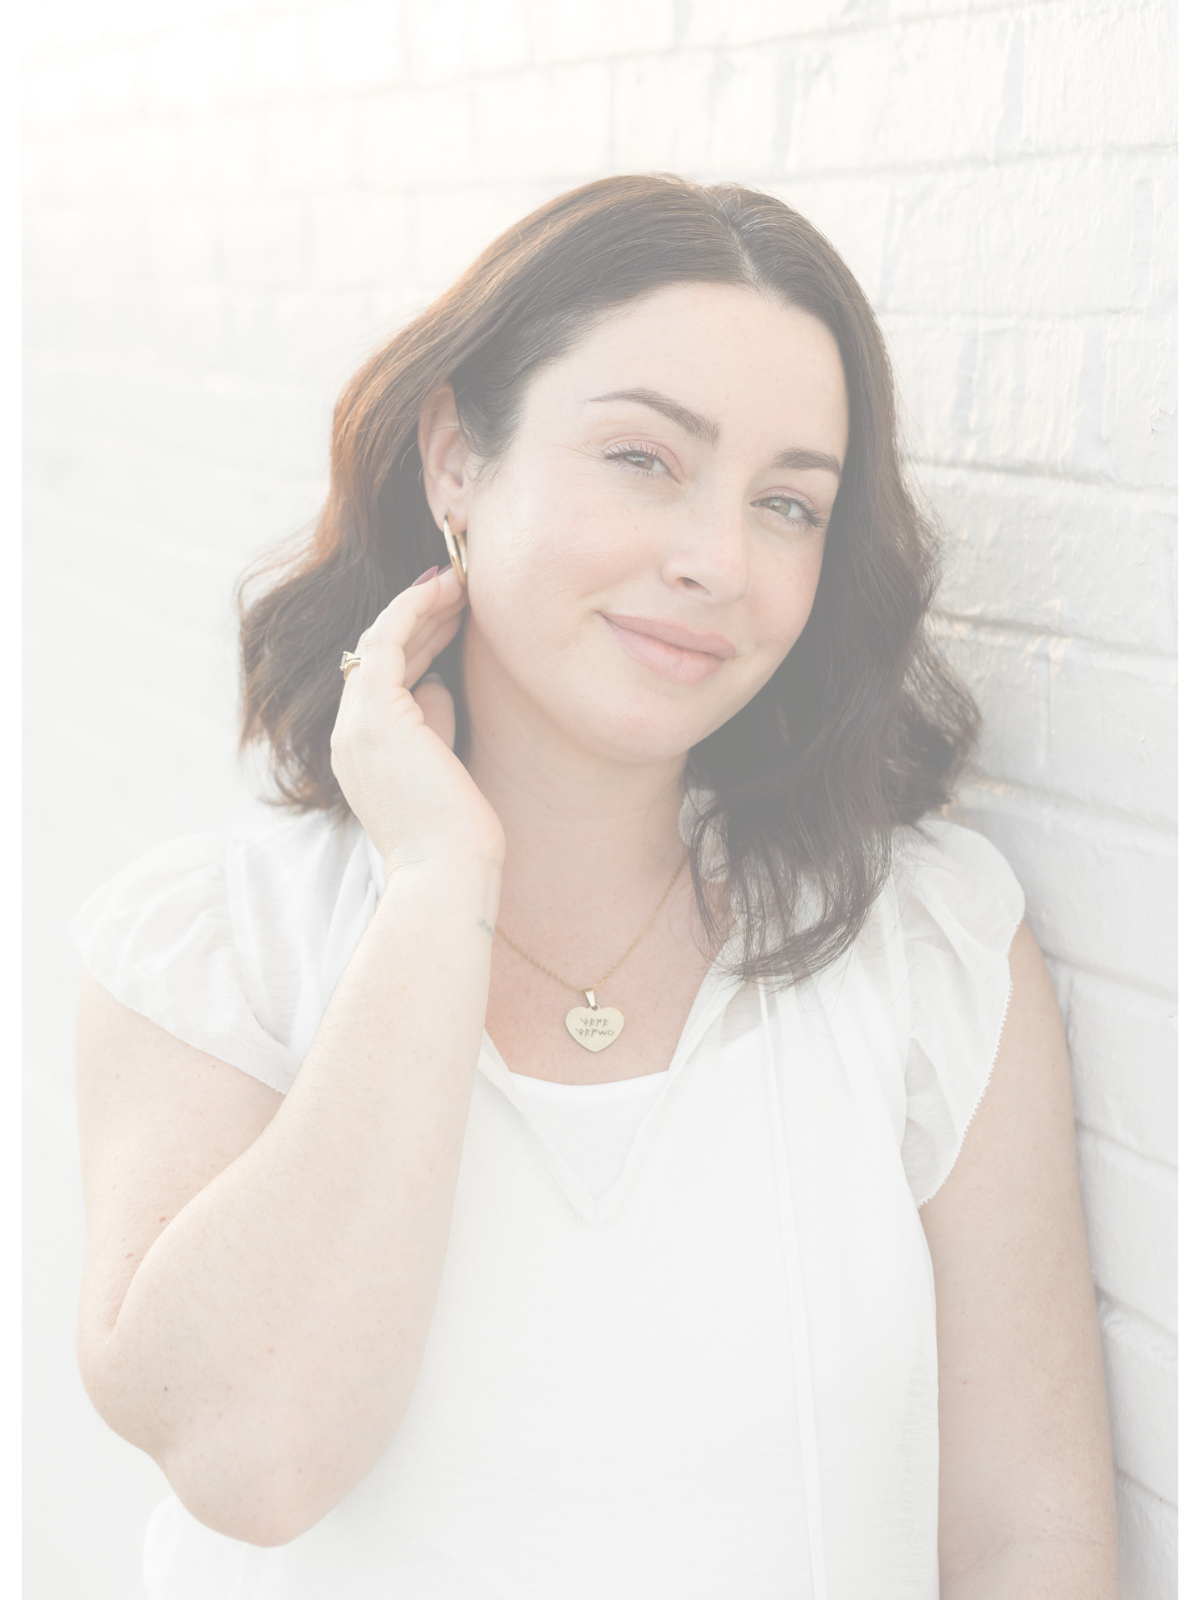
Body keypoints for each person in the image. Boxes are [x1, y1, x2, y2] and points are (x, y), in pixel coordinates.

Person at [72, 174, 1118, 1598]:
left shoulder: (927, 944)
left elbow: (1025, 1536)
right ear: (455, 460)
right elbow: (254, 1461)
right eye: (643, 458)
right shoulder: (213, 953)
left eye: (790, 506)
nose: (715, 561)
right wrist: (441, 884)